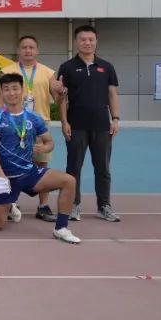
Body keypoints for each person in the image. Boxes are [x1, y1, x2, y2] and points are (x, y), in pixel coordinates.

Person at [0, 73, 81, 244]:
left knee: (69, 181)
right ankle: (10, 204)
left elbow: (50, 142)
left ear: (22, 90)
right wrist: (0, 176)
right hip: (5, 176)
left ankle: (61, 228)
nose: (11, 93)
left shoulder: (34, 117)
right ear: (2, 92)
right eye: (6, 89)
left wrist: (45, 147)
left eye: (15, 88)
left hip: (29, 173)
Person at [56, 25, 121, 223]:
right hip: (76, 125)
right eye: (83, 39)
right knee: (73, 168)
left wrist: (115, 118)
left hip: (102, 125)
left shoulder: (107, 67)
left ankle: (104, 206)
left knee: (103, 168)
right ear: (77, 42)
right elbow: (62, 98)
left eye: (91, 39)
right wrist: (64, 122)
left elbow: (112, 94)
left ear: (96, 41)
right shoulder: (67, 67)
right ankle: (73, 205)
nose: (87, 43)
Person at [0, 35, 58, 222]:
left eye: (31, 47)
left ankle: (43, 206)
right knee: (11, 165)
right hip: (12, 124)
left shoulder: (48, 72)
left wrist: (62, 91)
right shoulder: (7, 70)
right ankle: (11, 203)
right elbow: (0, 98)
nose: (28, 50)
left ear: (37, 50)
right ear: (18, 50)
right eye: (24, 47)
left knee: (41, 165)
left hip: (39, 125)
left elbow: (58, 99)